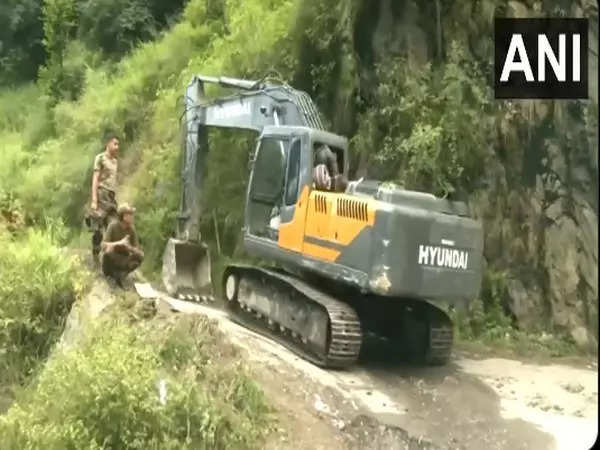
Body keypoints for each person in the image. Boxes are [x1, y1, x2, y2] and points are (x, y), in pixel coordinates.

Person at [87, 133, 120, 262]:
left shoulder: (115, 161)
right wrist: (94, 200)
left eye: (118, 145)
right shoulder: (100, 158)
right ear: (108, 144)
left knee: (113, 225)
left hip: (111, 196)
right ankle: (96, 251)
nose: (117, 147)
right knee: (98, 229)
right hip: (101, 194)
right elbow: (95, 179)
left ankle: (110, 257)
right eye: (115, 144)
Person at [100, 203, 144, 288]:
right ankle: (111, 274)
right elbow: (103, 245)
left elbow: (137, 249)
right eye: (130, 214)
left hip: (123, 258)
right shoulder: (113, 226)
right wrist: (119, 243)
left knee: (140, 256)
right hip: (112, 258)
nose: (132, 217)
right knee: (107, 252)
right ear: (123, 216)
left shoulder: (132, 229)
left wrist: (129, 248)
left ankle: (121, 274)